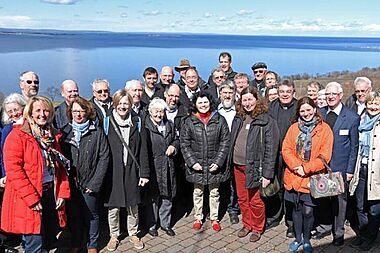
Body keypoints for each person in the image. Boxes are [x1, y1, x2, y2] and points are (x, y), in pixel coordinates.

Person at [2, 96, 70, 252]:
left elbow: (60, 168)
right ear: (30, 113)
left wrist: (62, 193)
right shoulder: (18, 136)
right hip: (28, 197)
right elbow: (14, 170)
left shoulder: (51, 136)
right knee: (35, 243)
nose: (42, 114)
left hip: (49, 193)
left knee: (47, 240)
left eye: (46, 110)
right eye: (38, 110)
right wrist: (32, 198)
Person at [282, 97, 333, 253]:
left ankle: (306, 239)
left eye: (308, 110)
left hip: (313, 177)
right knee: (296, 209)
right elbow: (286, 149)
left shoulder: (324, 129)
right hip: (294, 175)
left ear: (314, 109)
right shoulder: (293, 129)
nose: (306, 113)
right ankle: (298, 239)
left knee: (308, 211)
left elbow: (325, 155)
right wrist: (296, 166)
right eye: (302, 111)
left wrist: (307, 168)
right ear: (299, 112)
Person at [229, 86, 279, 242]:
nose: (247, 103)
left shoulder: (266, 120)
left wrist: (267, 174)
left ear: (257, 100)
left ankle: (257, 228)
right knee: (242, 198)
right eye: (244, 100)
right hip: (237, 166)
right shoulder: (239, 117)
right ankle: (247, 224)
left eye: (250, 99)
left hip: (255, 167)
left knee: (255, 200)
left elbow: (271, 149)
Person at [60, 97, 109, 253]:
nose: (78, 114)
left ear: (87, 112)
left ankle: (92, 245)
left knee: (91, 215)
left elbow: (104, 157)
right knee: (74, 216)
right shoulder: (64, 132)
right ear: (70, 112)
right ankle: (76, 243)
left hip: (90, 182)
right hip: (71, 183)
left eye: (81, 111)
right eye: (75, 111)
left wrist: (94, 184)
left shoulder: (97, 132)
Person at [314, 82, 359, 246]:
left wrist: (350, 170)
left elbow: (354, 147)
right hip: (321, 166)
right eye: (328, 94)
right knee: (323, 199)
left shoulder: (352, 118)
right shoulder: (320, 114)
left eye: (333, 94)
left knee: (340, 202)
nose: (330, 97)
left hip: (340, 168)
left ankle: (338, 233)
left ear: (340, 95)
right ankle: (325, 226)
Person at [103, 90, 149, 251]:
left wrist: (144, 173)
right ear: (114, 104)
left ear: (130, 104)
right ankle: (114, 235)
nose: (123, 106)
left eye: (125, 103)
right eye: (119, 103)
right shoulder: (107, 122)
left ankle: (133, 233)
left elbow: (143, 149)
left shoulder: (137, 121)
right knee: (113, 206)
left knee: (132, 204)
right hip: (113, 171)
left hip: (132, 170)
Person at [180, 91, 230, 232]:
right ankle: (198, 217)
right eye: (200, 102)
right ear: (195, 104)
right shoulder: (189, 121)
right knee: (198, 192)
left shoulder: (219, 120)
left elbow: (225, 142)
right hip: (198, 165)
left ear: (210, 103)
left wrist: (218, 162)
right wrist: (192, 162)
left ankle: (214, 218)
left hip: (214, 164)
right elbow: (184, 143)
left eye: (205, 102)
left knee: (214, 193)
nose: (203, 105)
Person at [349, 91, 380, 251]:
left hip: (377, 172)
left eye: (376, 103)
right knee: (360, 206)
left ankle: (371, 237)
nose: (373, 107)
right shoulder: (361, 120)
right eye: (370, 103)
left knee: (375, 209)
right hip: (361, 169)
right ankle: (363, 234)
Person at [145, 98, 179, 237]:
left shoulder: (169, 125)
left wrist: (173, 146)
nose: (159, 114)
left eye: (161, 111)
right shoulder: (146, 127)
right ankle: (152, 225)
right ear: (150, 111)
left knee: (167, 197)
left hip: (168, 167)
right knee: (153, 198)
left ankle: (165, 224)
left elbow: (177, 140)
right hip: (153, 168)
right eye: (156, 111)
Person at [268, 79, 298, 236]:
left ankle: (291, 223)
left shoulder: (299, 107)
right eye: (282, 92)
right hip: (275, 154)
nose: (285, 94)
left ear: (293, 92)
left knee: (290, 189)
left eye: (288, 92)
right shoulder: (271, 106)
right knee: (276, 187)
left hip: (293, 156)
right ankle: (274, 216)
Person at [0, 93, 27, 253]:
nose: (14, 114)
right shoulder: (8, 129)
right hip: (12, 175)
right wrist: (5, 174)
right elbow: (3, 154)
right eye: (10, 111)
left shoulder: (31, 125)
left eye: (16, 109)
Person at [217, 80, 240, 225]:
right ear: (220, 94)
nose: (227, 95)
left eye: (230, 93)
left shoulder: (239, 111)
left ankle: (233, 209)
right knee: (217, 183)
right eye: (224, 92)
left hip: (234, 151)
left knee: (233, 183)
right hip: (217, 152)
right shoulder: (214, 110)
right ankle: (217, 209)